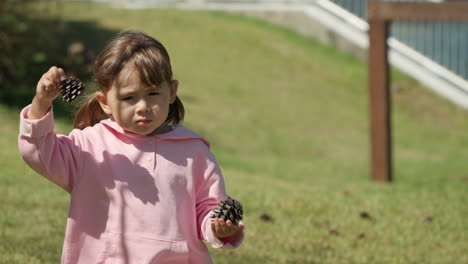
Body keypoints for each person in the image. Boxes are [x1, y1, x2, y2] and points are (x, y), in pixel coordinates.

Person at [18, 30, 244, 264]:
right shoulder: (90, 147)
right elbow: (40, 154)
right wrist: (41, 103)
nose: (143, 106)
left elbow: (209, 208)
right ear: (105, 102)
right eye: (129, 98)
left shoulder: (195, 152)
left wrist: (218, 227)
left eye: (153, 93)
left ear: (172, 92)